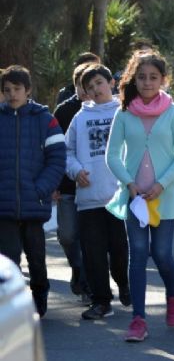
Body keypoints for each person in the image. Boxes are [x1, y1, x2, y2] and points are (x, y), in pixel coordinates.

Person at [105, 52, 174, 342]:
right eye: (141, 77)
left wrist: (162, 184)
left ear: (163, 80)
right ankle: (138, 319)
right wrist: (129, 184)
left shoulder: (173, 112)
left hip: (163, 197)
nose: (147, 82)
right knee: (139, 252)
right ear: (133, 79)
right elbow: (112, 155)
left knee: (162, 253)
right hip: (135, 199)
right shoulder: (123, 112)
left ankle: (173, 294)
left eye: (153, 77)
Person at [65, 64, 131, 320]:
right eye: (89, 87)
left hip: (119, 195)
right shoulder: (80, 118)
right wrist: (75, 171)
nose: (95, 89)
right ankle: (101, 301)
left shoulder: (124, 111)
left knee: (120, 250)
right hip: (89, 199)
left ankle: (124, 283)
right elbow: (67, 152)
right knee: (93, 255)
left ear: (111, 83)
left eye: (99, 83)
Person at [0, 65, 66, 317]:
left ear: (28, 90)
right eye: (7, 90)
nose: (12, 94)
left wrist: (41, 189)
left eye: (17, 89)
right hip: (4, 204)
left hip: (34, 203)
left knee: (36, 258)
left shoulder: (45, 119)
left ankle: (40, 293)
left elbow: (57, 159)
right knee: (9, 259)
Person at [54, 60, 99, 302]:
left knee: (91, 239)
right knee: (68, 235)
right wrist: (54, 184)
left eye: (91, 85)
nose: (87, 90)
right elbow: (54, 149)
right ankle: (77, 268)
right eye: (82, 85)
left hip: (95, 187)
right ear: (76, 86)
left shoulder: (105, 110)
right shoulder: (63, 111)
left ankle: (87, 284)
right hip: (67, 187)